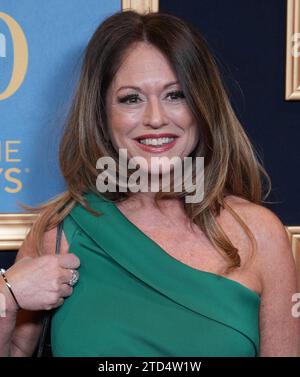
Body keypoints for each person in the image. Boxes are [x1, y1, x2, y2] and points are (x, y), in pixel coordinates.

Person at [0, 9, 299, 357]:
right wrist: (7, 294)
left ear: (203, 106)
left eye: (175, 95)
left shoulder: (259, 235)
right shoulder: (59, 233)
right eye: (131, 99)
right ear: (102, 113)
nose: (155, 118)